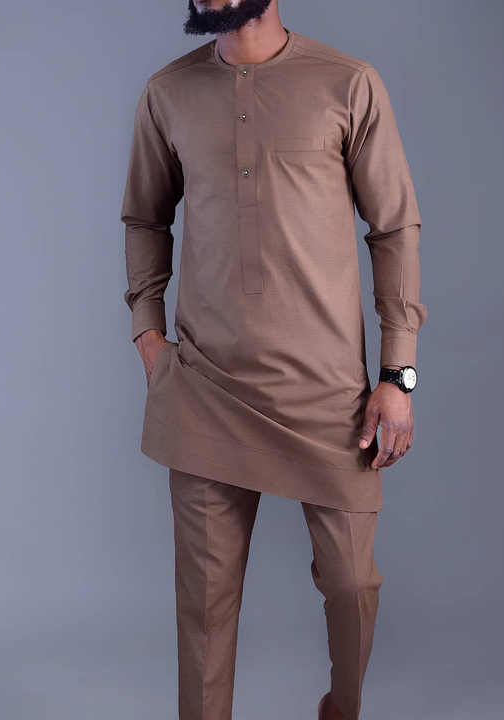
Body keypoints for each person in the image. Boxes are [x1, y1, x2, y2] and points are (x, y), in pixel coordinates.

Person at [120, 1, 428, 718]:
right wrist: (146, 332)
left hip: (331, 395)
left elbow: (394, 228)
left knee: (352, 587)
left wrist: (396, 372)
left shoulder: (347, 82)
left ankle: (340, 708)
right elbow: (143, 217)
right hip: (204, 387)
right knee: (204, 609)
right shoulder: (169, 92)